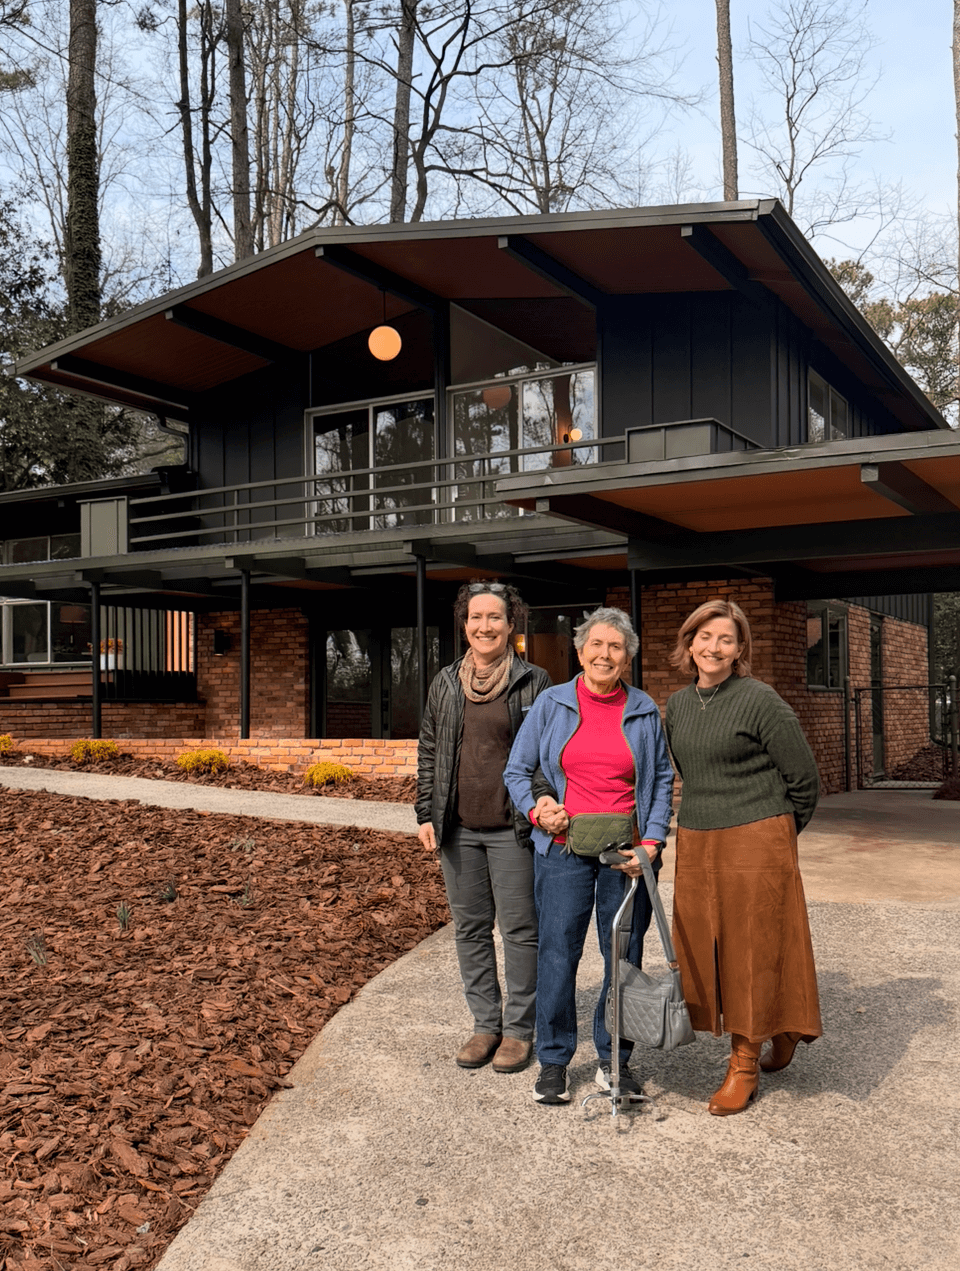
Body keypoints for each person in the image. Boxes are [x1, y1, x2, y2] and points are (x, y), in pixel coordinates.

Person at [503, 607, 674, 1105]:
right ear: (580, 652)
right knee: (558, 952)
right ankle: (554, 1062)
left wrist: (653, 840)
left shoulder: (643, 708)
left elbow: (661, 780)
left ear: (627, 658)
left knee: (624, 954)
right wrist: (539, 810)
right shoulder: (552, 703)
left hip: (626, 853)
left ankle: (614, 1061)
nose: (604, 654)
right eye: (596, 645)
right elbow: (518, 770)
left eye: (615, 647)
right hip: (563, 848)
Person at [664, 598, 822, 1117]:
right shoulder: (679, 705)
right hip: (698, 834)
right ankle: (784, 1025)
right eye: (705, 637)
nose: (714, 647)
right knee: (704, 944)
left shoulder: (760, 699)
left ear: (740, 651)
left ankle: (744, 1065)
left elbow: (803, 779)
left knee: (752, 946)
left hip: (757, 835)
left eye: (726, 640)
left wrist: (777, 834)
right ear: (690, 643)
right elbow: (687, 772)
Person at [416, 581, 551, 1074]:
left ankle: (518, 1032)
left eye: (495, 617)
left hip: (511, 828)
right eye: (476, 617)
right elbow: (429, 752)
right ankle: (484, 1025)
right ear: (464, 622)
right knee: (470, 930)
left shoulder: (536, 682)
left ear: (511, 624)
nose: (484, 626)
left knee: (519, 931)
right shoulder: (445, 682)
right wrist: (425, 813)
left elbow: (544, 759)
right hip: (458, 828)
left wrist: (540, 807)